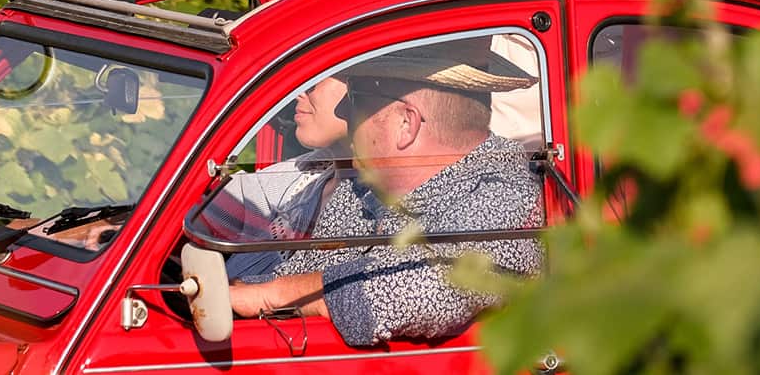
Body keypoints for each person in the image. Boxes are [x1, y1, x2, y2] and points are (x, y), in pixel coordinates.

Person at [226, 39, 544, 346]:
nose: (344, 117)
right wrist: (235, 292)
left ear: (407, 123)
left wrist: (275, 294)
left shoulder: (505, 195)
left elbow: (420, 287)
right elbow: (298, 274)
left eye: (353, 100)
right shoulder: (365, 187)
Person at [214, 76, 350, 282]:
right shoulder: (307, 172)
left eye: (317, 81)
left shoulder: (377, 205)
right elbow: (223, 203)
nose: (298, 93)